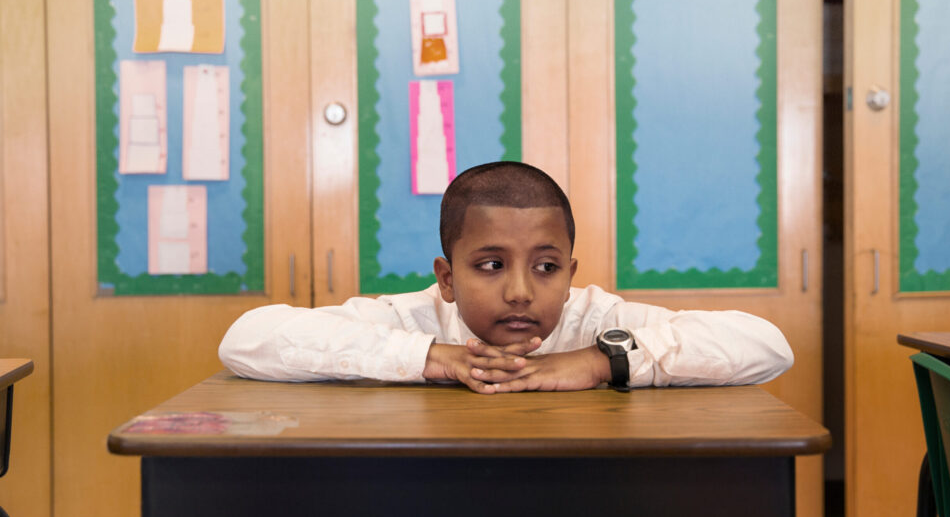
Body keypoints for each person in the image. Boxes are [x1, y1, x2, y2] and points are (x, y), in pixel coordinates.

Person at [219, 161, 793, 393]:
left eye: (546, 268)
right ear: (446, 278)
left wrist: (600, 362)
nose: (520, 290)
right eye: (490, 265)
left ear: (570, 275)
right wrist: (429, 358)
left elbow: (767, 346)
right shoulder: (412, 318)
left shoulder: (597, 319)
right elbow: (246, 339)